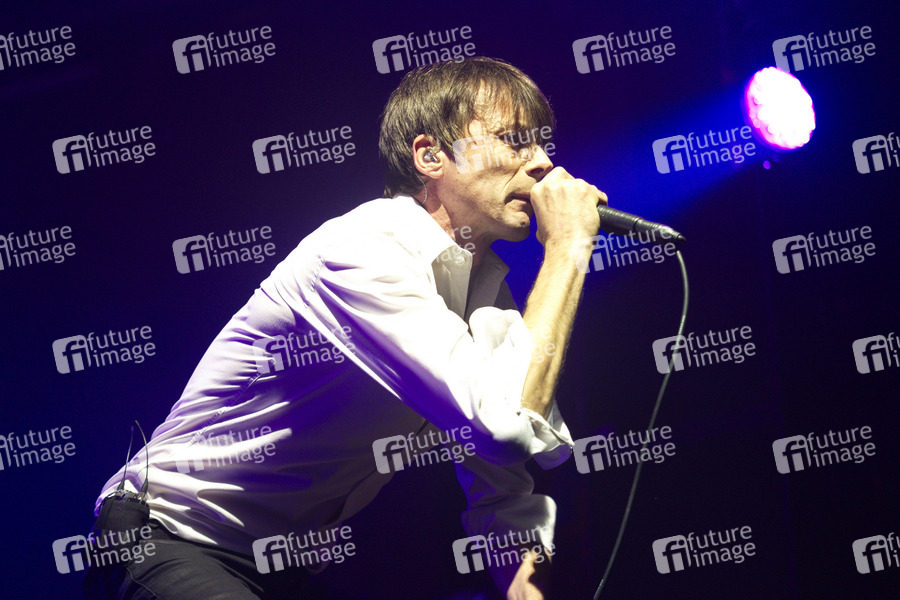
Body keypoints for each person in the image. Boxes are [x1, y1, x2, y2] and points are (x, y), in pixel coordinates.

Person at [83, 56, 606, 600]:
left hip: (282, 566)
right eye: (515, 141)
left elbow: (504, 496)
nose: (543, 163)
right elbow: (505, 429)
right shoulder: (364, 251)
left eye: (542, 144)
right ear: (431, 156)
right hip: (168, 535)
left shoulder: (483, 294)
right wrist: (568, 246)